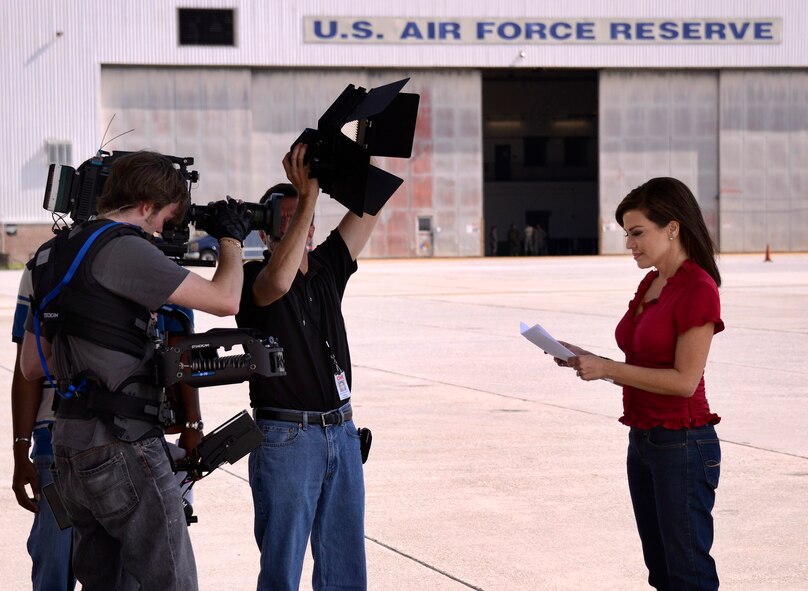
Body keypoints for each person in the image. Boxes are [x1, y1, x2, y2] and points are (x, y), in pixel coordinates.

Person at [19, 150, 251, 590]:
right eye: (163, 218)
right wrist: (231, 240)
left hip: (70, 449)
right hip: (123, 445)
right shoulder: (123, 248)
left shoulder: (50, 254)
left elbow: (32, 365)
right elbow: (226, 300)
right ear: (144, 206)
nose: (161, 231)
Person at [557, 177, 723, 590]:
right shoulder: (652, 284)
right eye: (626, 234)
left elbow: (684, 382)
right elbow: (644, 368)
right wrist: (589, 361)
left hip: (683, 444)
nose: (629, 244)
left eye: (637, 233)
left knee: (689, 575)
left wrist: (608, 369)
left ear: (672, 227)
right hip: (644, 441)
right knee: (662, 572)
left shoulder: (698, 288)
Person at [235, 144, 380, 591]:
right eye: (287, 217)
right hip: (287, 438)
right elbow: (277, 282)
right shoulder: (249, 277)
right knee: (282, 572)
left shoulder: (326, 268)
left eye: (305, 216)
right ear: (264, 233)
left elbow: (369, 207)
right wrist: (309, 196)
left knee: (345, 570)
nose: (302, 223)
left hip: (342, 431)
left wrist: (363, 151)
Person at [11, 265, 75, 591]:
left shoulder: (149, 257)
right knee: (54, 562)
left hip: (130, 444)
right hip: (55, 444)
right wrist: (21, 448)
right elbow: (27, 369)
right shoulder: (45, 264)